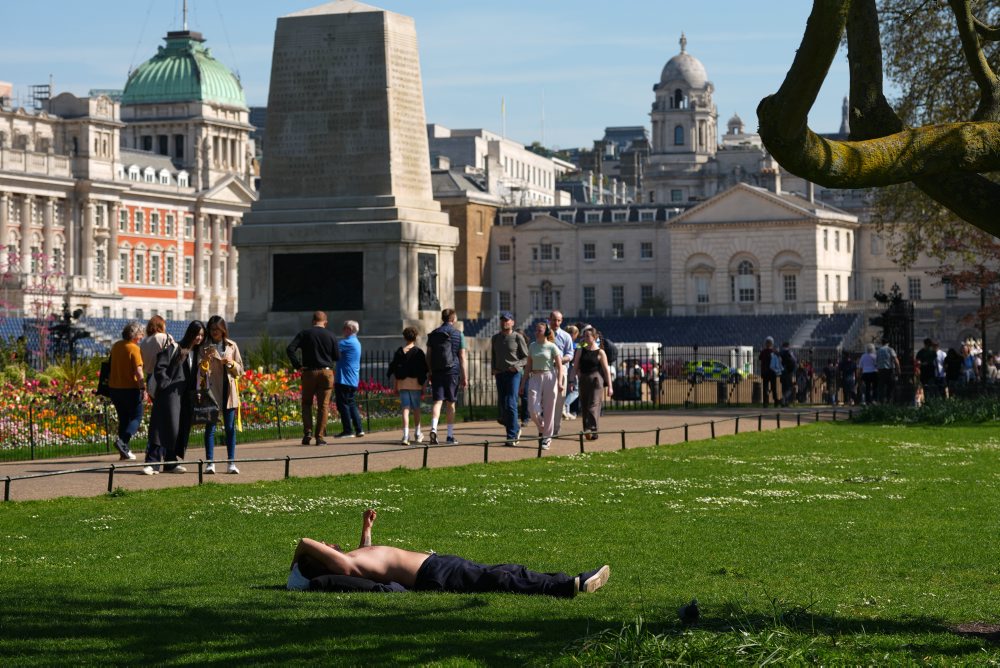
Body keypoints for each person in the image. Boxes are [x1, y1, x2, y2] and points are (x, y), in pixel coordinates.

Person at [287, 509, 610, 597]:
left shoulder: (353, 561)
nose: (330, 544)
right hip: (433, 572)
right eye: (327, 548)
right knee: (498, 576)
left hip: (436, 565)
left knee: (502, 571)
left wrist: (366, 527)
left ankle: (564, 582)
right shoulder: (346, 568)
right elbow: (304, 541)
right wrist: (296, 570)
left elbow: (370, 553)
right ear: (322, 560)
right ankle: (569, 584)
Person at [144, 321, 205, 475]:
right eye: (197, 334)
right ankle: (152, 463)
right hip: (169, 394)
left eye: (202, 335)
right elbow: (160, 367)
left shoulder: (196, 353)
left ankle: (170, 463)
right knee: (161, 427)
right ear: (190, 333)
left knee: (175, 429)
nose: (199, 338)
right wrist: (166, 384)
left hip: (183, 396)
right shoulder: (175, 347)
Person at [287, 311, 340, 445]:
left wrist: (298, 366)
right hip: (326, 372)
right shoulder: (331, 335)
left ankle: (308, 433)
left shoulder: (305, 333)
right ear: (325, 322)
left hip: (309, 372)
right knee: (323, 406)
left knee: (306, 403)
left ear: (313, 321)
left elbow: (290, 349)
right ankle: (320, 437)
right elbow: (337, 357)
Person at [201, 315, 243, 474]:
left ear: (223, 330)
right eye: (212, 330)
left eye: (217, 330)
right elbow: (200, 371)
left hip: (229, 391)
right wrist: (205, 360)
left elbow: (240, 370)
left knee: (230, 428)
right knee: (210, 427)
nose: (214, 333)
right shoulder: (204, 347)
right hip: (212, 392)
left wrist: (231, 363)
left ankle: (231, 462)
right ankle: (210, 463)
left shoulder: (232, 346)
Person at [426, 308, 467, 445]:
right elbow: (462, 356)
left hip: (437, 371)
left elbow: (429, 355)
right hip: (452, 371)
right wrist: (465, 376)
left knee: (437, 401)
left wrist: (430, 372)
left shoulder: (433, 334)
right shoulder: (458, 334)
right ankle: (449, 436)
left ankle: (433, 428)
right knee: (451, 403)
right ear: (453, 319)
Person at [521, 321, 564, 449]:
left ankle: (546, 438)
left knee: (549, 409)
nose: (536, 332)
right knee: (532, 409)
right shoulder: (532, 346)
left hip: (549, 377)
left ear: (545, 333)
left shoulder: (552, 346)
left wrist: (560, 382)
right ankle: (542, 427)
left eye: (539, 330)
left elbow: (560, 366)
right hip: (535, 377)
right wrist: (522, 384)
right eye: (536, 329)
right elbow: (528, 366)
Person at [107, 321, 144, 461]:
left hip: (115, 388)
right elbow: (139, 372)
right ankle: (122, 442)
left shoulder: (116, 346)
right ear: (135, 334)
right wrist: (143, 388)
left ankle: (124, 452)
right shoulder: (134, 348)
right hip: (130, 389)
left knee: (123, 419)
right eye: (140, 334)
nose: (141, 337)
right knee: (137, 417)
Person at [490, 312, 529, 446]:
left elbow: (526, 358)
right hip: (500, 374)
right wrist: (493, 369)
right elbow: (493, 355)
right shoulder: (495, 338)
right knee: (503, 404)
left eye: (507, 320)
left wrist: (516, 366)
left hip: (513, 374)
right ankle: (515, 429)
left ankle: (511, 436)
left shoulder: (518, 337)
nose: (504, 322)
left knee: (511, 402)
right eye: (502, 320)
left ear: (512, 322)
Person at [387, 327, 427, 445]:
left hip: (402, 383)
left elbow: (394, 370)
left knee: (405, 409)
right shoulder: (419, 352)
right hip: (415, 384)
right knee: (416, 409)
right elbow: (423, 370)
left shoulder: (399, 352)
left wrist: (395, 386)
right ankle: (418, 433)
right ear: (416, 337)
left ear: (404, 337)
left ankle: (405, 435)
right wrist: (423, 385)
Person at [573, 326, 613, 440]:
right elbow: (575, 367)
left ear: (595, 337)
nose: (585, 338)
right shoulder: (580, 350)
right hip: (583, 379)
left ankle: (591, 428)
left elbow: (606, 370)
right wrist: (572, 381)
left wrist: (610, 386)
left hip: (596, 380)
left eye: (588, 336)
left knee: (593, 405)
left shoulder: (601, 352)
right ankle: (589, 431)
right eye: (584, 336)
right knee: (585, 406)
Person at [334, 320, 364, 438]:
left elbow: (332, 351)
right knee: (351, 404)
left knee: (343, 405)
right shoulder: (356, 342)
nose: (342, 330)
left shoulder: (346, 343)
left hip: (344, 379)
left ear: (350, 329)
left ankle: (348, 430)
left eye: (344, 328)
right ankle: (359, 429)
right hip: (352, 379)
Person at [549, 311, 574, 436]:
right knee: (546, 400)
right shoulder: (544, 334)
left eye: (558, 320)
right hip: (546, 369)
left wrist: (560, 360)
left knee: (559, 401)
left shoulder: (566, 336)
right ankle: (547, 427)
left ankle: (555, 429)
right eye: (554, 320)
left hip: (561, 369)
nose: (556, 323)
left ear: (561, 321)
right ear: (549, 319)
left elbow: (570, 354)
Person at [139, 315, 173, 394]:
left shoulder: (143, 342)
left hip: (149, 378)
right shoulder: (166, 337)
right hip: (163, 377)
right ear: (160, 325)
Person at [562, 324, 580, 420]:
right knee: (576, 390)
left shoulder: (563, 342)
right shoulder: (574, 344)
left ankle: (567, 411)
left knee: (568, 390)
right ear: (574, 334)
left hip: (565, 367)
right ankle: (564, 405)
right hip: (572, 367)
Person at [876, 339, 900, 403]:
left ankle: (881, 400)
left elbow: (876, 362)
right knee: (890, 386)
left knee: (882, 386)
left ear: (882, 343)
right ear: (888, 343)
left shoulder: (878, 351)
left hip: (881, 370)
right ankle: (889, 400)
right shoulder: (890, 349)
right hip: (889, 370)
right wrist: (898, 369)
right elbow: (896, 360)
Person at [758, 337, 780, 407]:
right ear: (772, 344)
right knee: (774, 388)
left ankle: (765, 403)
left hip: (765, 372)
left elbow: (760, 358)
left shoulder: (763, 352)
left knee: (765, 388)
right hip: (772, 373)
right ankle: (776, 402)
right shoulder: (774, 352)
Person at [779, 342, 796, 407]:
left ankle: (784, 402)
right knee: (789, 388)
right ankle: (785, 399)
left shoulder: (780, 353)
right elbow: (794, 361)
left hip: (782, 372)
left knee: (784, 387)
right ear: (788, 346)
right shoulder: (790, 352)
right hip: (788, 372)